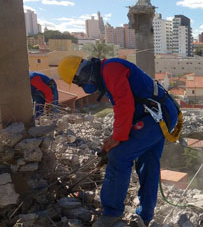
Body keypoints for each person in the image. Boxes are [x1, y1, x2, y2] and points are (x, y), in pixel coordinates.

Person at [58, 56, 182, 226]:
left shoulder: (110, 69)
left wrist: (117, 138)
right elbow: (125, 107)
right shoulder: (107, 73)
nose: (83, 86)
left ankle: (111, 214)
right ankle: (145, 217)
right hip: (157, 114)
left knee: (119, 156)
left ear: (84, 73)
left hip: (156, 115)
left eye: (79, 81)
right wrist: (114, 138)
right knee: (148, 164)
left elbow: (125, 105)